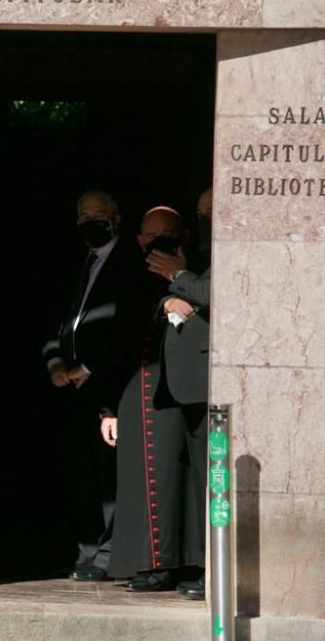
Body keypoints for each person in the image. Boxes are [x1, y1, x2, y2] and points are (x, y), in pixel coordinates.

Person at [102, 204, 207, 592]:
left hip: (187, 385)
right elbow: (119, 336)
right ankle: (153, 563)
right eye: (152, 235)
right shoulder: (126, 274)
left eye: (168, 233)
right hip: (143, 385)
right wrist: (108, 407)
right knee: (149, 477)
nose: (159, 241)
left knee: (184, 479)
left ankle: (191, 563)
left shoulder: (198, 267)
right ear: (139, 239)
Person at [43, 190, 143, 582]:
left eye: (99, 214)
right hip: (70, 387)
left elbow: (126, 328)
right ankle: (86, 552)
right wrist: (55, 363)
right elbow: (57, 317)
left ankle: (108, 555)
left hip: (107, 387)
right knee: (80, 473)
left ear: (117, 219)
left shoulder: (130, 264)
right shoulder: (77, 263)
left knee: (107, 476)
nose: (90, 221)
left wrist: (88, 367)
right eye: (83, 214)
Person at [145, 188, 213, 599]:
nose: (206, 217)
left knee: (213, 481)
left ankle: (216, 573)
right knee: (199, 481)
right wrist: (172, 292)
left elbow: (208, 292)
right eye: (201, 211)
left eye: (212, 210)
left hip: (209, 380)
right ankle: (205, 567)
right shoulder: (199, 251)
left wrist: (178, 277)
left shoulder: (227, 245)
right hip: (184, 383)